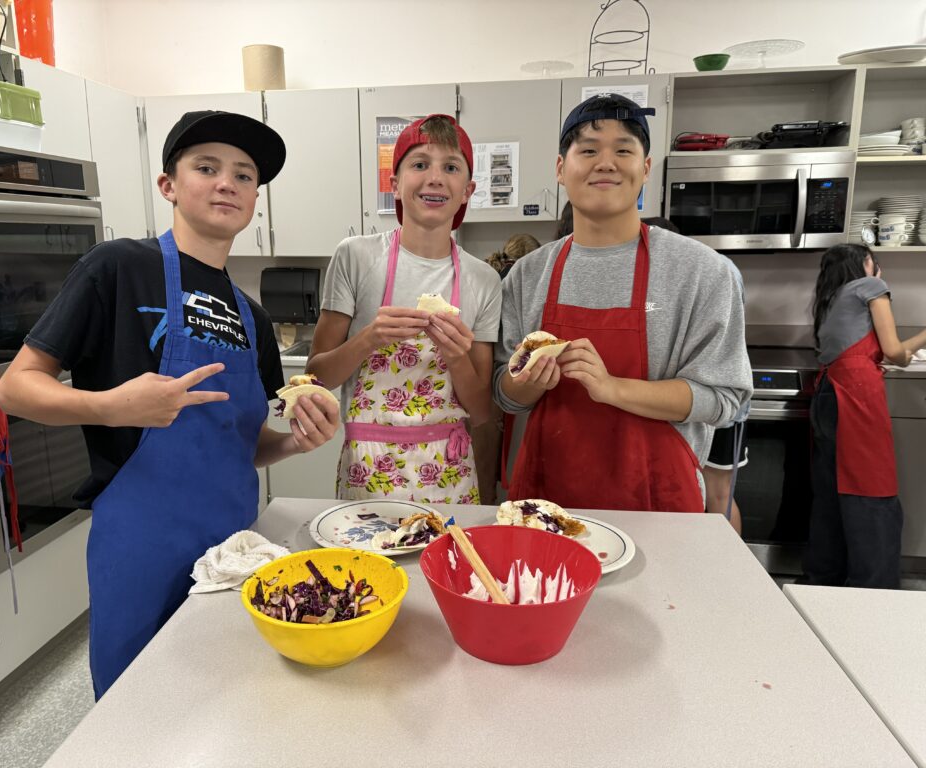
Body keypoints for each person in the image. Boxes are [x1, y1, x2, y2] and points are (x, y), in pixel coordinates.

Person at [0, 111, 340, 698]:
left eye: (244, 174)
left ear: (255, 197)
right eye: (206, 167)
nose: (226, 183)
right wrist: (111, 406)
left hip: (235, 542)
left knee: (222, 694)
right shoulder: (118, 268)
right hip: (140, 542)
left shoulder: (250, 317)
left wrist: (291, 442)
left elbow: (241, 444)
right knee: (138, 704)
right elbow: (15, 387)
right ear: (169, 185)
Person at [495, 93, 751, 512]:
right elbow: (505, 397)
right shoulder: (528, 274)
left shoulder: (702, 271)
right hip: (546, 505)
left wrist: (613, 388)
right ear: (561, 169)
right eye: (589, 150)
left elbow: (724, 400)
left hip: (659, 506)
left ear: (645, 168)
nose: (606, 162)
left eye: (624, 150)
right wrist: (523, 384)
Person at [307, 114, 501, 504]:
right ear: (394, 186)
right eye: (419, 164)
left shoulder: (483, 280)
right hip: (368, 473)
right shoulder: (356, 258)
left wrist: (458, 358)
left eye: (451, 167)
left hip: (449, 474)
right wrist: (368, 339)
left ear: (468, 190)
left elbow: (481, 412)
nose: (435, 177)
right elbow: (315, 379)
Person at [804, 244, 926, 588]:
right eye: (873, 259)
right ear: (864, 264)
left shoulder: (830, 297)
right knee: (869, 490)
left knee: (831, 494)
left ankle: (823, 579)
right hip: (855, 395)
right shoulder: (869, 286)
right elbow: (894, 351)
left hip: (829, 392)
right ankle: (872, 589)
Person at [643, 215, 747, 534]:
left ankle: (722, 574)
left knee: (717, 492)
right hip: (683, 402)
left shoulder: (711, 269)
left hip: (718, 399)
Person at [475, 233, 541, 503]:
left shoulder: (490, 274)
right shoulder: (524, 281)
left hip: (482, 381)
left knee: (484, 465)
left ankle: (488, 498)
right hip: (499, 382)